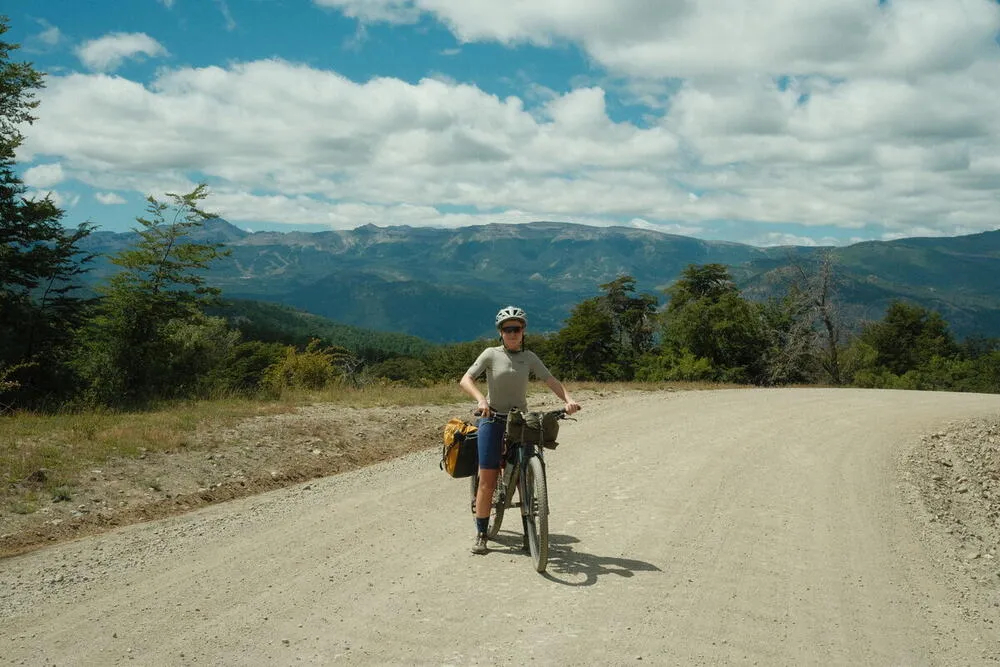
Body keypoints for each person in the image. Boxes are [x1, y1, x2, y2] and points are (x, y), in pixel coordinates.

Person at [459, 305, 581, 555]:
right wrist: (481, 401)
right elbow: (466, 379)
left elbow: (551, 380)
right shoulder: (491, 354)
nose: (513, 333)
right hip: (492, 417)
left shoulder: (529, 357)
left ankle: (529, 533)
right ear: (500, 332)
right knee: (488, 480)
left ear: (524, 331)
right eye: (508, 329)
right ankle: (482, 533)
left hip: (519, 419)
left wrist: (568, 400)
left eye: (517, 329)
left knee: (523, 477)